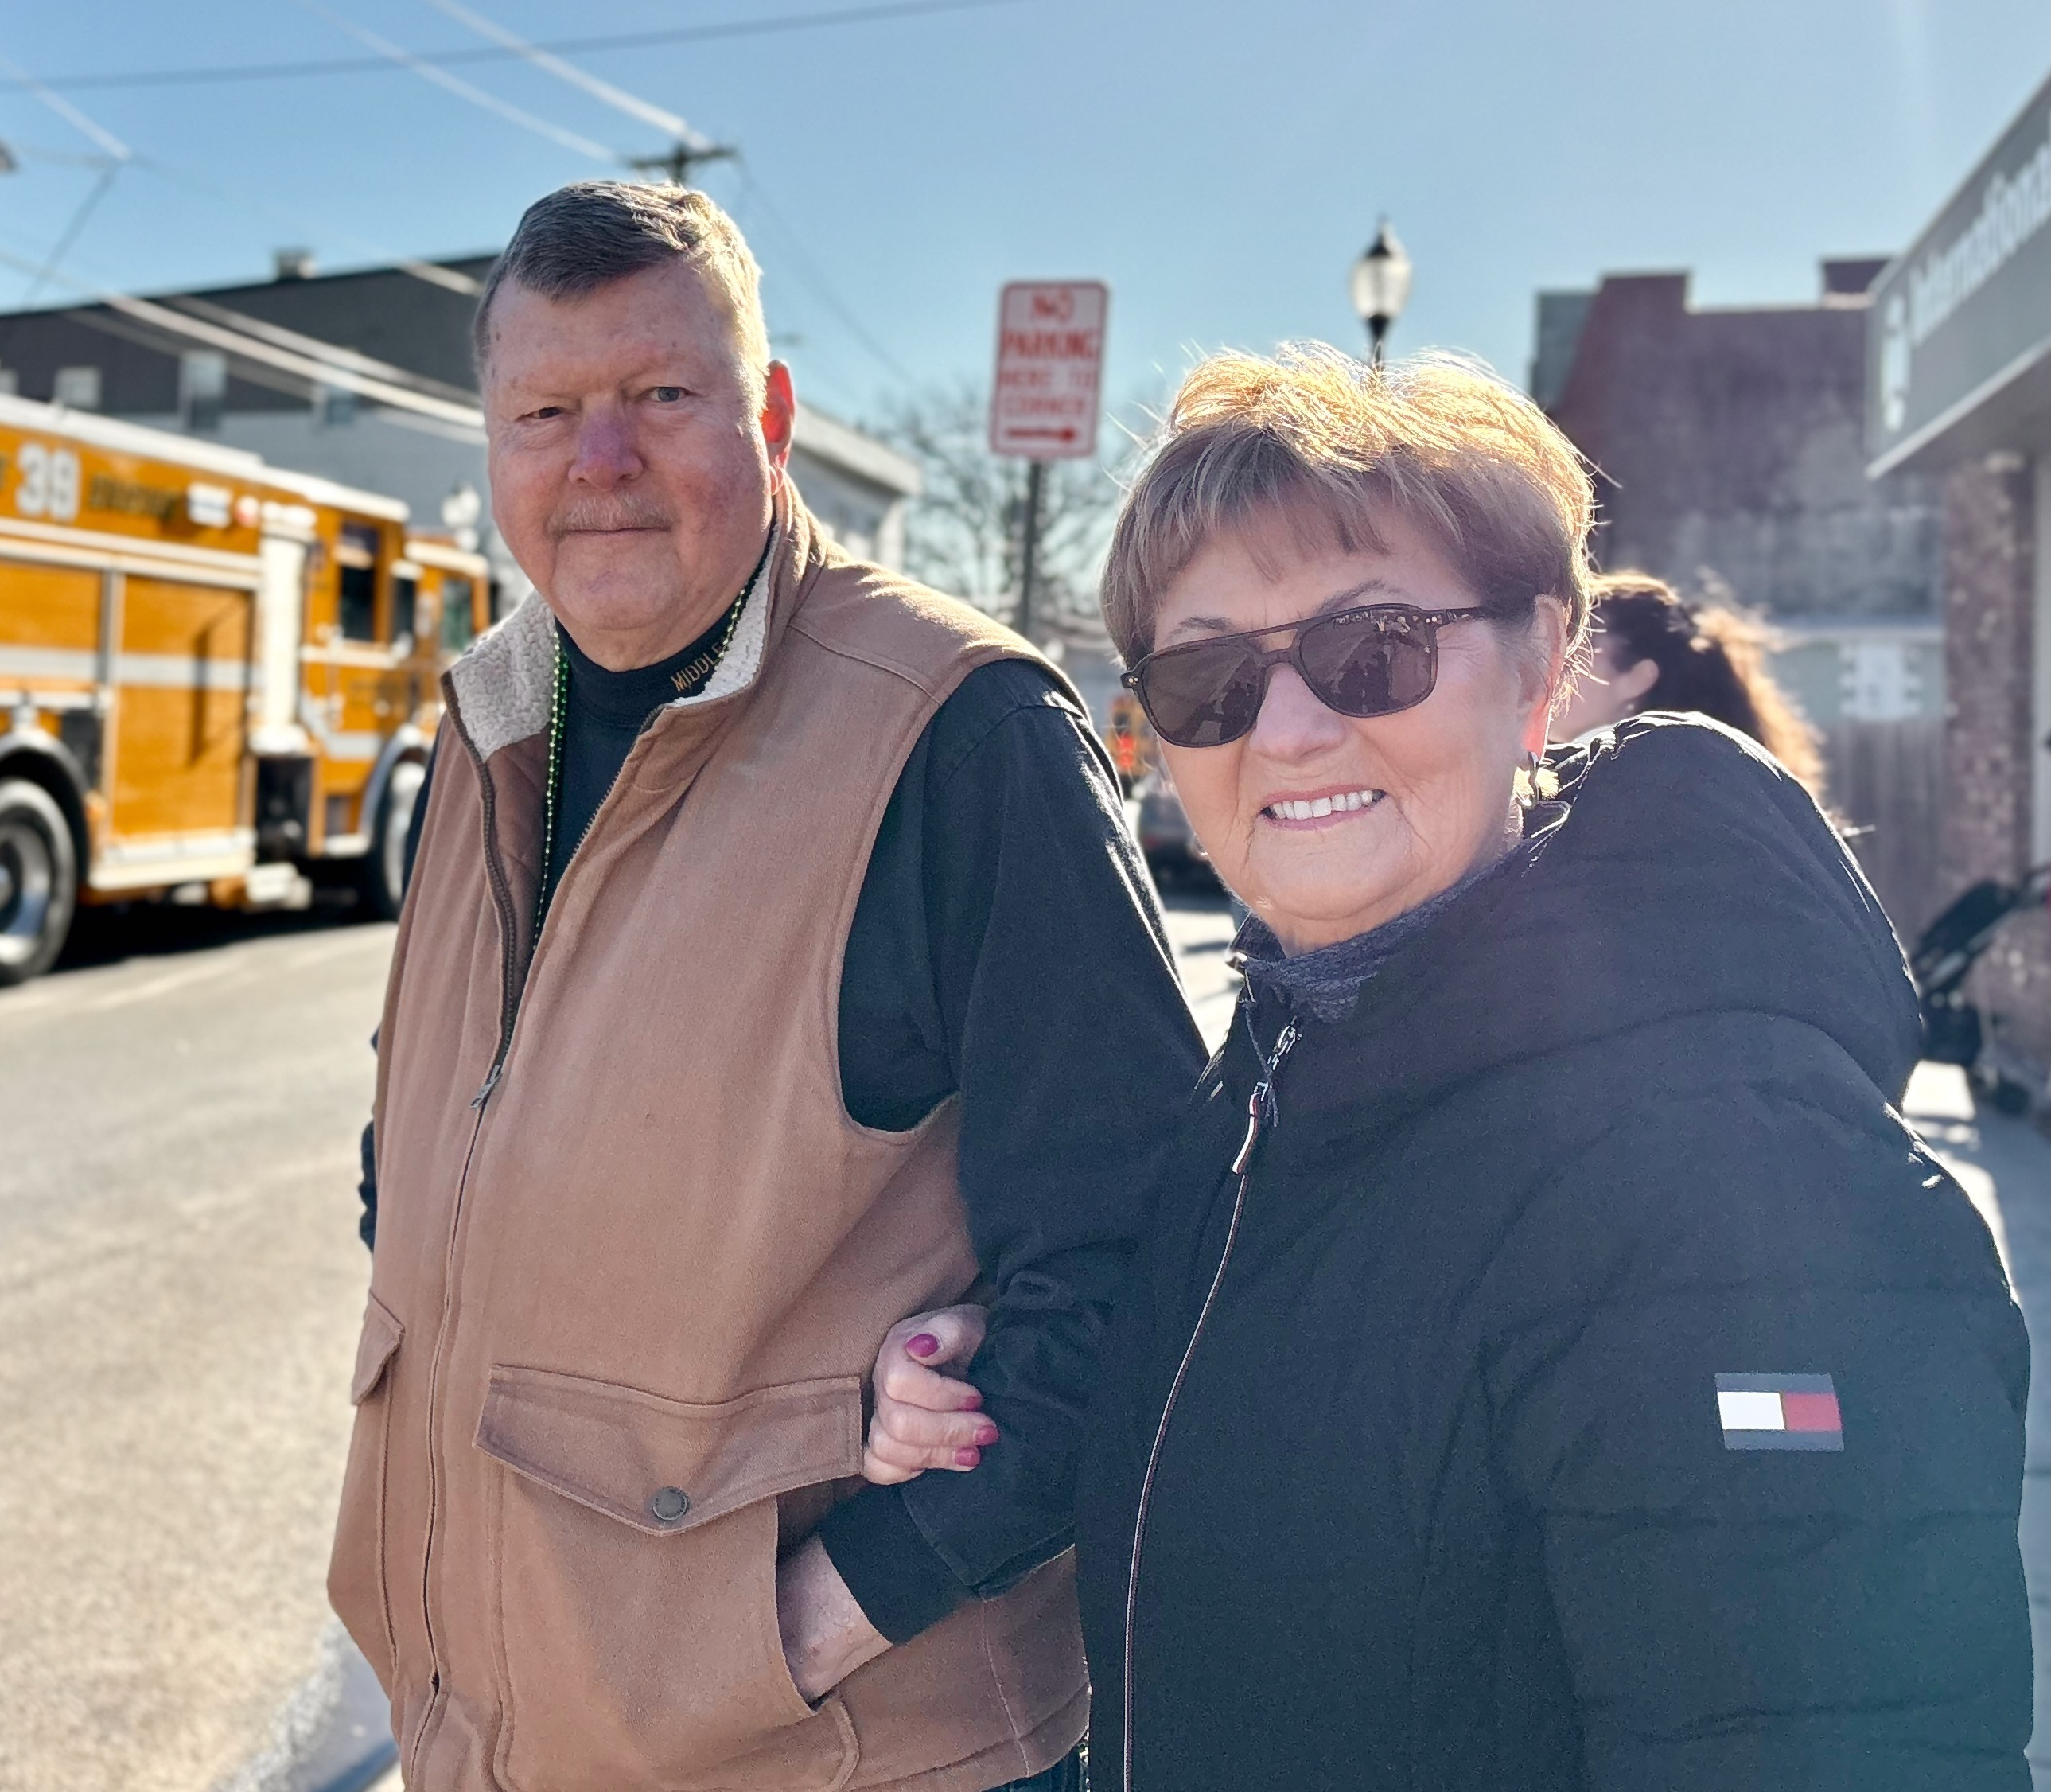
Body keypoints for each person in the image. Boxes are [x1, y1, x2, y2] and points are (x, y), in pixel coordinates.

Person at [861, 345, 2031, 1790]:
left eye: (1373, 649)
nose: (1289, 729)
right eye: (1210, 677)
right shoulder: (1273, 1092)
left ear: (1540, 662)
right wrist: (982, 1378)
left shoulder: (1728, 1173)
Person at [328, 181, 1205, 1792]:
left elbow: (1139, 1267)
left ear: (773, 418)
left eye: (662, 395)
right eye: (543, 413)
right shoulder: (488, 721)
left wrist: (787, 1633)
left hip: (833, 1750)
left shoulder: (961, 736)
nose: (598, 460)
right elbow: (429, 1154)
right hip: (496, 1733)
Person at [1552, 567, 1827, 796]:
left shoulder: (1632, 783)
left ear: (1638, 678)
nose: (1552, 660)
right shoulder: (1719, 774)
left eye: (1577, 645)